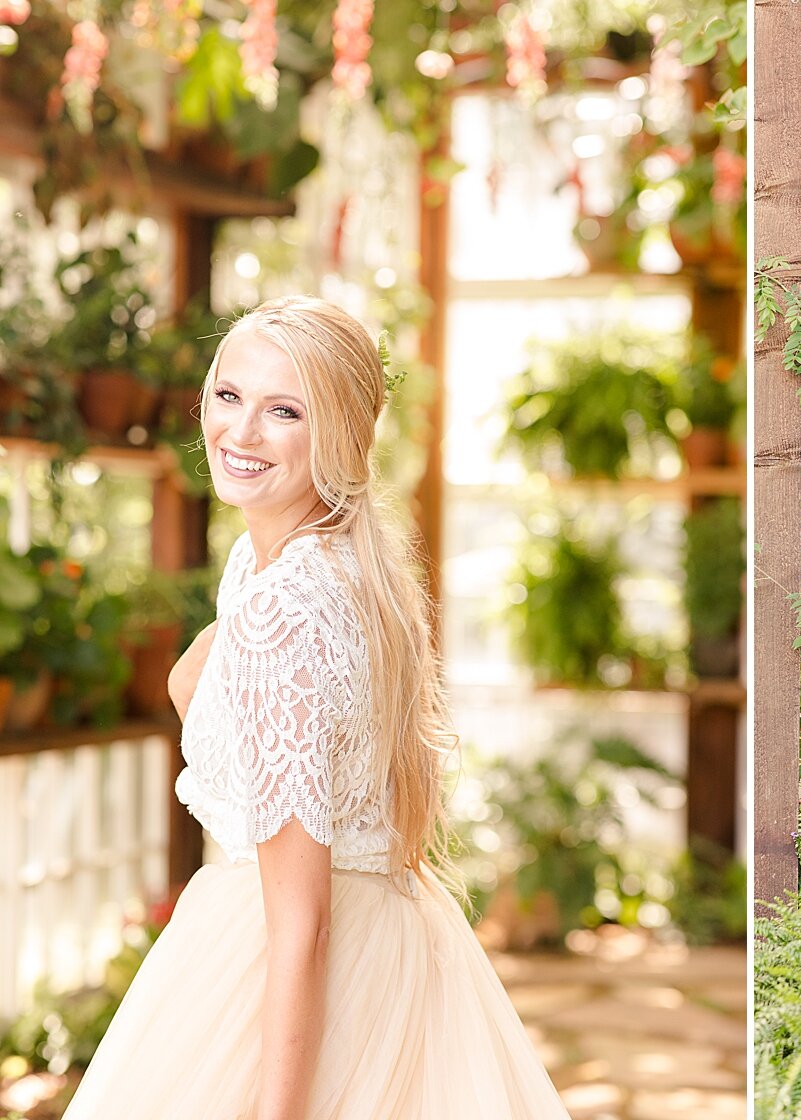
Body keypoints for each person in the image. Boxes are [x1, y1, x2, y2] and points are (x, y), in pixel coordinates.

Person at [63, 297, 572, 1120]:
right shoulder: (313, 565)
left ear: (338, 434)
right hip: (397, 944)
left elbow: (301, 922)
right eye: (229, 396)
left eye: (285, 411)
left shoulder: (284, 605)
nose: (242, 433)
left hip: (293, 955)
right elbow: (197, 678)